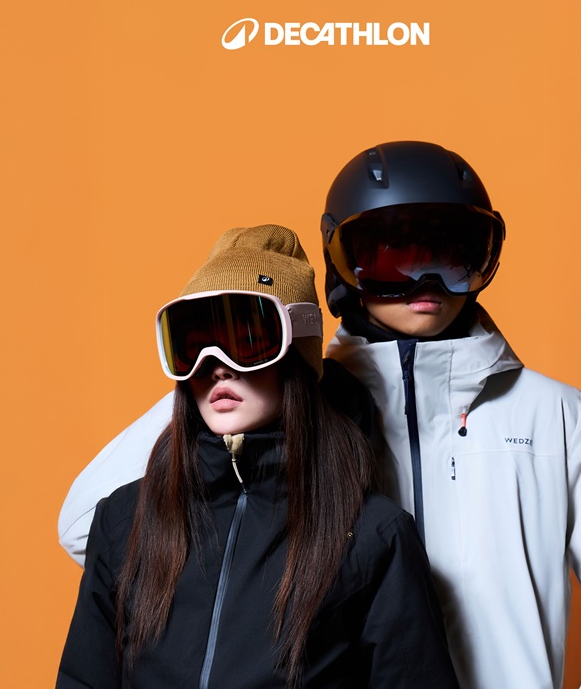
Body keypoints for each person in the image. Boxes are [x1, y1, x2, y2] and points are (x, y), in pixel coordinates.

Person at [59, 143, 581, 689]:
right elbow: (91, 525)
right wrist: (235, 354)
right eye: (392, 256)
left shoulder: (552, 417)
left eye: (452, 253)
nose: (424, 280)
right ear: (343, 264)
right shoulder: (303, 405)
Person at [56, 224, 458, 688]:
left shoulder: (373, 536)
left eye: (246, 337)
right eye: (194, 343)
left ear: (297, 356)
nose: (218, 367)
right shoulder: (124, 519)